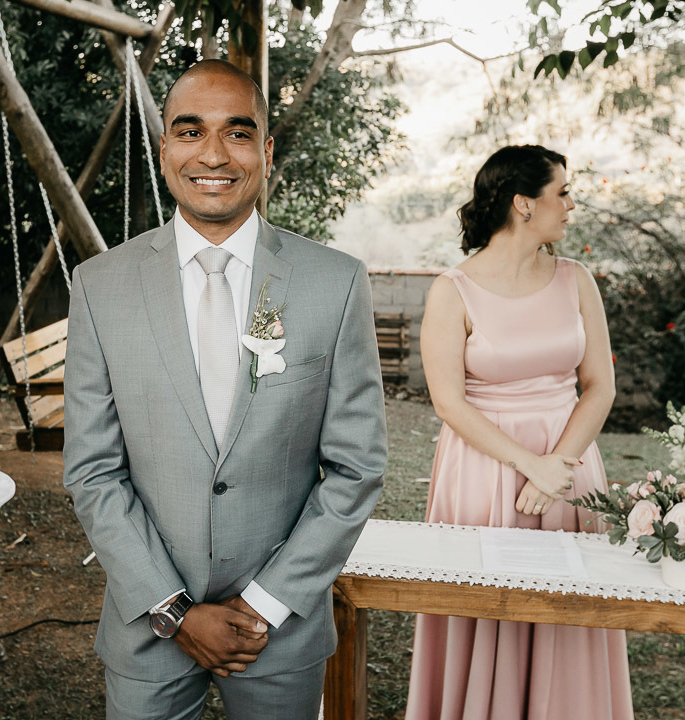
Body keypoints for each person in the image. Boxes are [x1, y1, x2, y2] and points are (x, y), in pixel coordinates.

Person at [62, 59, 387, 719]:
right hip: (148, 626)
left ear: (266, 150)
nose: (213, 154)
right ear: (164, 150)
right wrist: (175, 611)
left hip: (279, 629)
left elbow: (357, 467)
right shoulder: (100, 285)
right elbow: (93, 470)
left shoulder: (335, 283)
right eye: (190, 132)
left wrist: (264, 604)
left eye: (238, 133)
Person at [405, 145, 632, 719]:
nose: (571, 205)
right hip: (484, 470)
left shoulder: (576, 280)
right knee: (488, 607)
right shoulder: (452, 290)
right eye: (563, 192)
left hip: (571, 467)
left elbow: (599, 386)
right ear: (523, 204)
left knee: (569, 608)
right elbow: (448, 401)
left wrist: (559, 465)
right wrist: (531, 465)